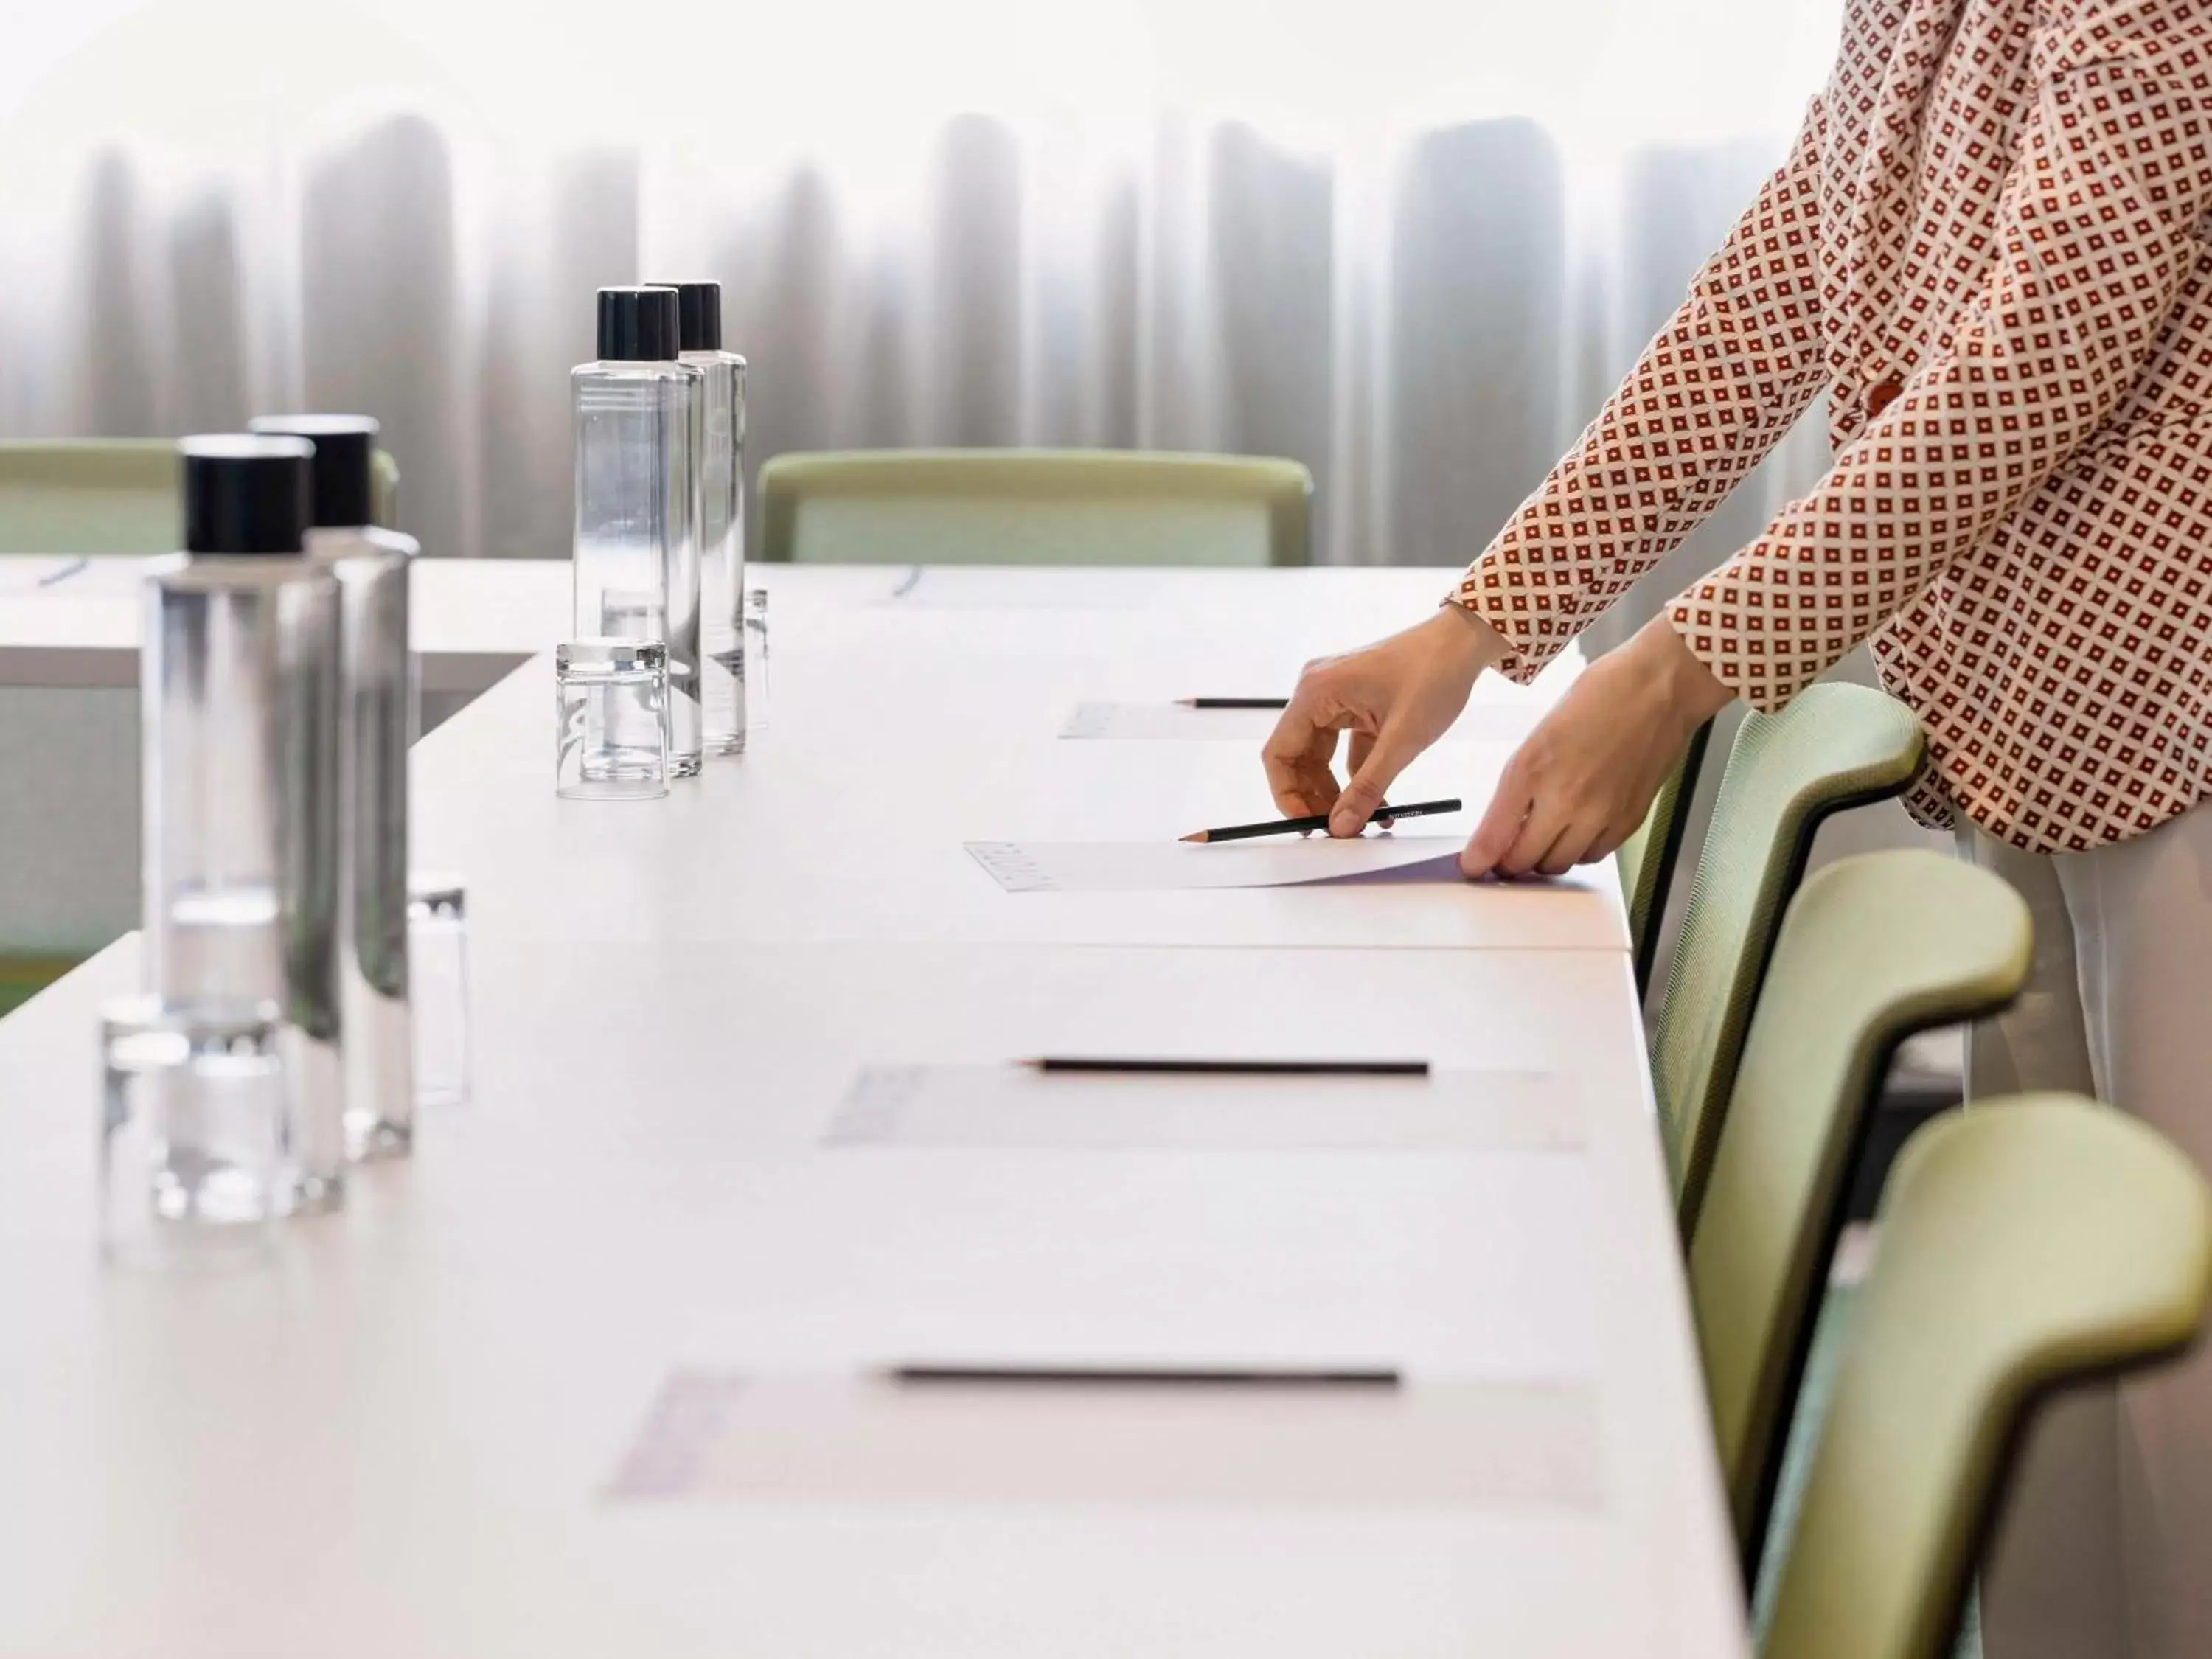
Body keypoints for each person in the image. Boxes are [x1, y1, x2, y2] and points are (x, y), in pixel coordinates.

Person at [1263, 3, 2212, 1655]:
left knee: (2183, 1394)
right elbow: (1791, 277)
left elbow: (2051, 342)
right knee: (2067, 1377)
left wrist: (1679, 667)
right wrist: (1484, 620)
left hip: (2176, 690)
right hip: (2031, 694)